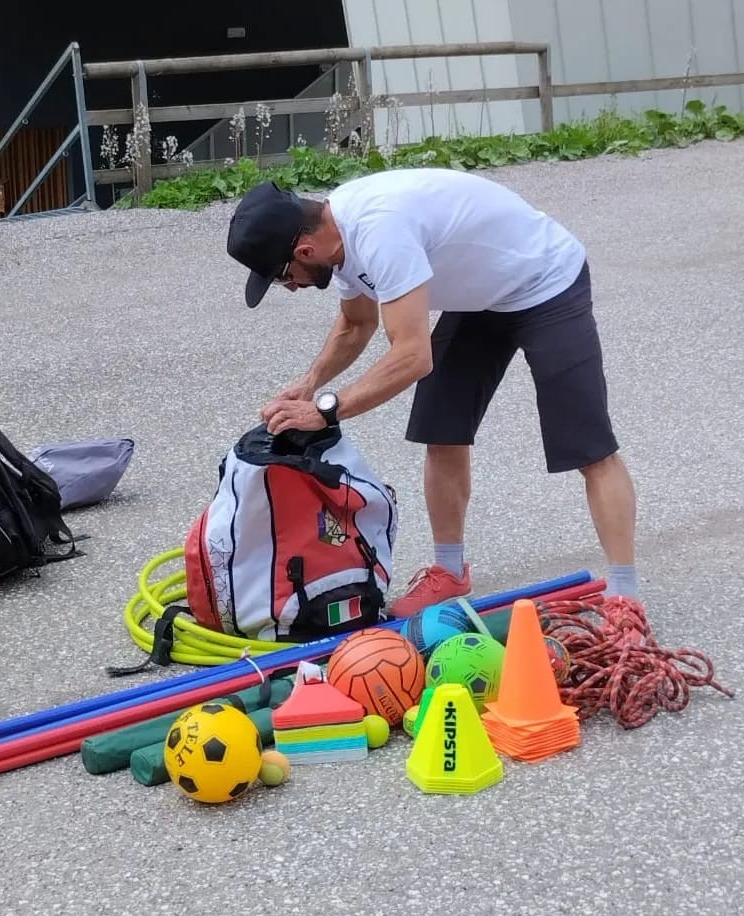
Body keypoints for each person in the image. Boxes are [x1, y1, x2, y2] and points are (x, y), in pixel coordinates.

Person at [225, 170, 639, 618]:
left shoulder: (380, 230)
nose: (289, 287)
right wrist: (309, 384)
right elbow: (356, 324)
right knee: (442, 430)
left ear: (305, 251)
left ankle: (624, 595)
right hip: (481, 298)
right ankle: (449, 572)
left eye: (284, 276)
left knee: (589, 448)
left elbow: (412, 355)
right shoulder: (337, 236)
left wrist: (326, 411)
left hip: (545, 282)